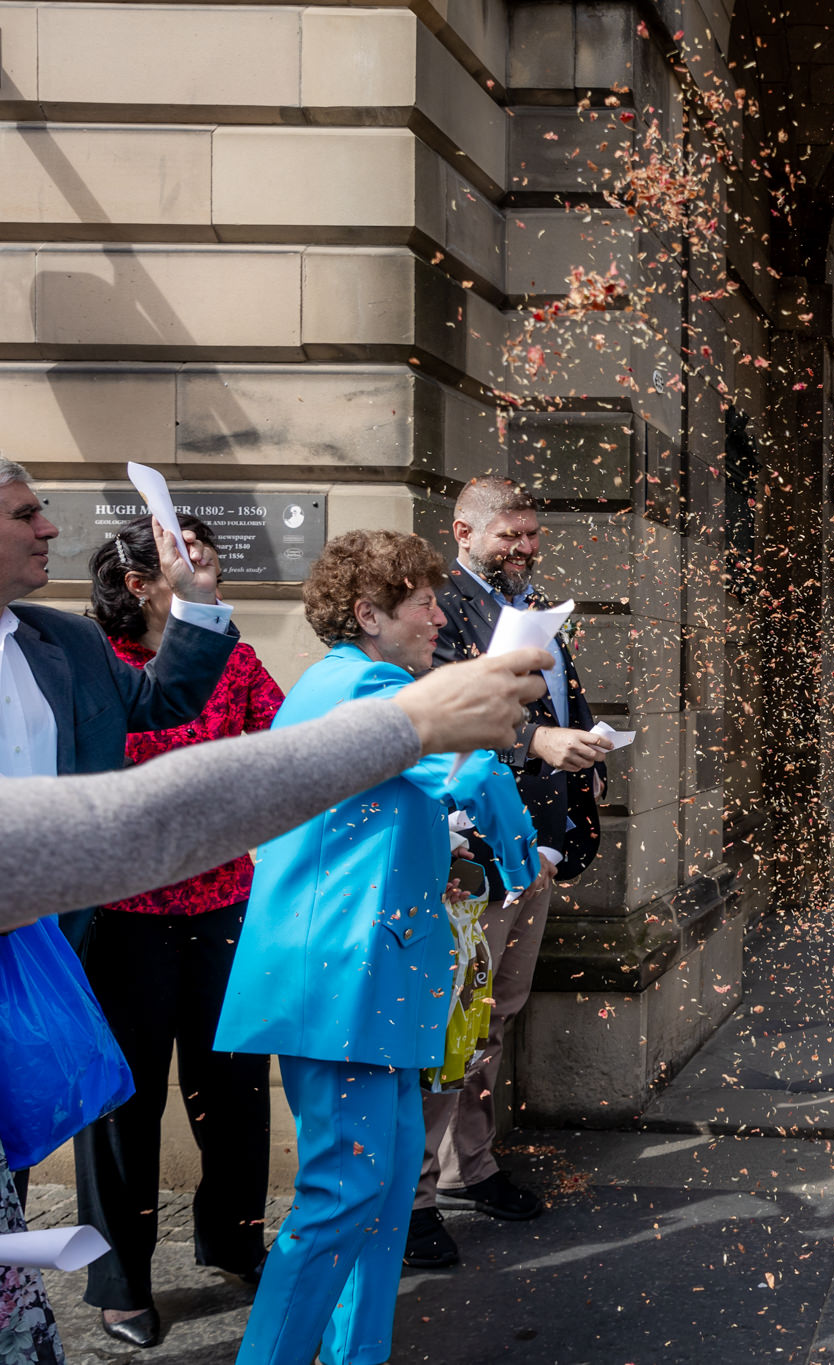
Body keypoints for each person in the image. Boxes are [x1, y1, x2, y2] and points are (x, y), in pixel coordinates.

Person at [215, 530, 547, 1365]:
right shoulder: (365, 681)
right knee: (342, 1193)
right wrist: (517, 857)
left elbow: (385, 813)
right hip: (340, 981)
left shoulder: (349, 678)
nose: (440, 614)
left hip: (374, 978)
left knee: (388, 1187)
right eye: (422, 602)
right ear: (368, 612)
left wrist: (455, 858)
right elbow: (468, 772)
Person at [67, 515, 286, 1348]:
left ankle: (234, 1241)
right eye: (188, 564)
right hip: (122, 919)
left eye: (209, 563)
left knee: (233, 1092)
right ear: (140, 583)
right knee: (125, 1105)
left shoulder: (232, 652)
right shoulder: (93, 662)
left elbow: (280, 741)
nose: (209, 578)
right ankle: (120, 1280)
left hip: (227, 907)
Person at [406, 477, 611, 1268]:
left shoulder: (538, 612)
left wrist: (585, 759)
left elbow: (559, 706)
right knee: (447, 1026)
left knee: (491, 1020)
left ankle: (470, 1165)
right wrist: (537, 743)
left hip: (535, 853)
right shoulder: (438, 610)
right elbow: (443, 710)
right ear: (463, 530)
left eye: (532, 535)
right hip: (468, 858)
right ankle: (415, 1196)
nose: (524, 549)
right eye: (509, 537)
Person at [0, 652, 552, 928]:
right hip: (344, 940)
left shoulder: (243, 661)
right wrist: (412, 722)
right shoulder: (369, 679)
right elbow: (139, 822)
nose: (47, 527)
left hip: (228, 895)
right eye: (424, 601)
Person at [0, 458, 238, 952]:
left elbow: (164, 699)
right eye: (25, 516)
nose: (49, 528)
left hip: (55, 940)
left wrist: (194, 598)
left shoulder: (69, 640)